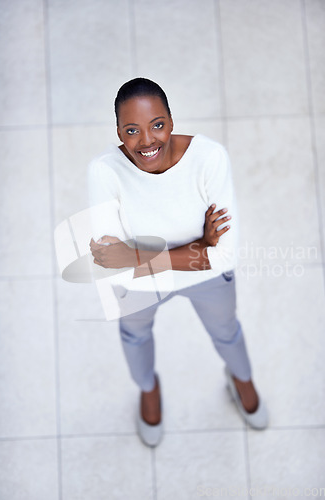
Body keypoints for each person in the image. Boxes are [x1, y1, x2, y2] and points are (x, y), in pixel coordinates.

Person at [87, 77, 268, 447]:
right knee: (134, 336)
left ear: (171, 120)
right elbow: (113, 264)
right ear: (119, 132)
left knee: (227, 331)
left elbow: (226, 255)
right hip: (144, 284)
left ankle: (242, 377)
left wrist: (134, 254)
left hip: (203, 279)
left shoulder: (209, 158)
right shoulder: (104, 170)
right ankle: (148, 388)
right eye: (132, 130)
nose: (147, 140)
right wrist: (200, 245)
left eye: (157, 125)